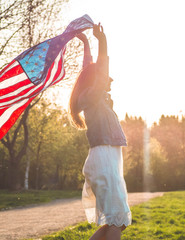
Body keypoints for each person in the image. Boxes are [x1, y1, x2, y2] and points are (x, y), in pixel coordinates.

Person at [69, 23, 132, 240]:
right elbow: (99, 67)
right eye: (106, 77)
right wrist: (101, 40)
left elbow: (89, 68)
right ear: (96, 79)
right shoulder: (92, 95)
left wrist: (86, 42)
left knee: (114, 223)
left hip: (106, 159)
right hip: (103, 159)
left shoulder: (91, 95)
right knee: (117, 222)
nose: (110, 79)